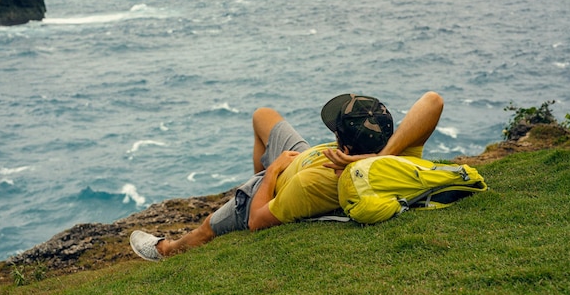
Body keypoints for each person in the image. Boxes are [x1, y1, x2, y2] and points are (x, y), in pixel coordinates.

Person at [130, 91, 443, 261]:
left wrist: (273, 172)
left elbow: (257, 221)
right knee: (262, 116)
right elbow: (433, 101)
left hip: (278, 182)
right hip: (303, 155)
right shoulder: (396, 154)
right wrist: (377, 157)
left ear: (343, 144)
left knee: (204, 231)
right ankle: (259, 176)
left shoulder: (313, 186)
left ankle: (165, 250)